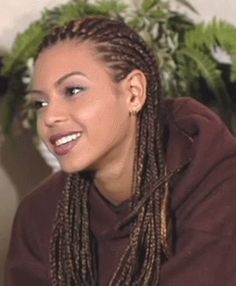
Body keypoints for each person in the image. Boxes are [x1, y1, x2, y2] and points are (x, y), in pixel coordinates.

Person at [4, 16, 236, 286]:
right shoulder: (39, 216)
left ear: (133, 93)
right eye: (40, 103)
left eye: (73, 90)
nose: (50, 117)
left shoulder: (220, 188)